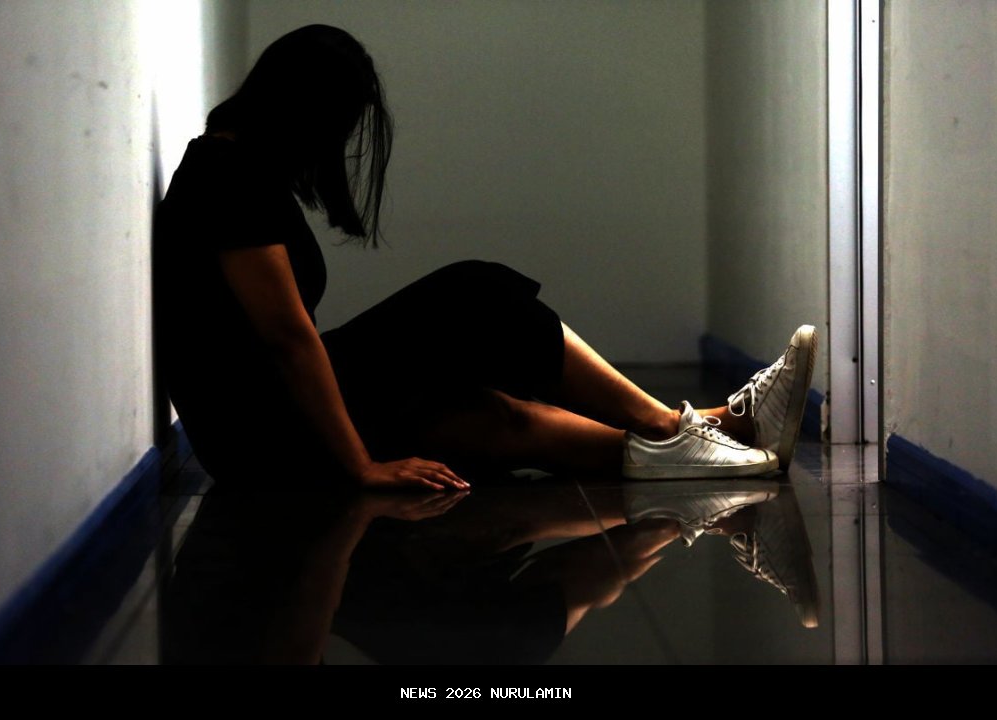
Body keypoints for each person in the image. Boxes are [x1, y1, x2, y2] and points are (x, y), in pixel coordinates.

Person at [154, 24, 816, 492]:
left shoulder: (233, 168)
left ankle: (702, 442)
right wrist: (361, 467)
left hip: (259, 435)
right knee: (478, 294)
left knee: (487, 415)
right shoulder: (226, 175)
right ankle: (672, 427)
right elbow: (288, 338)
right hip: (261, 436)